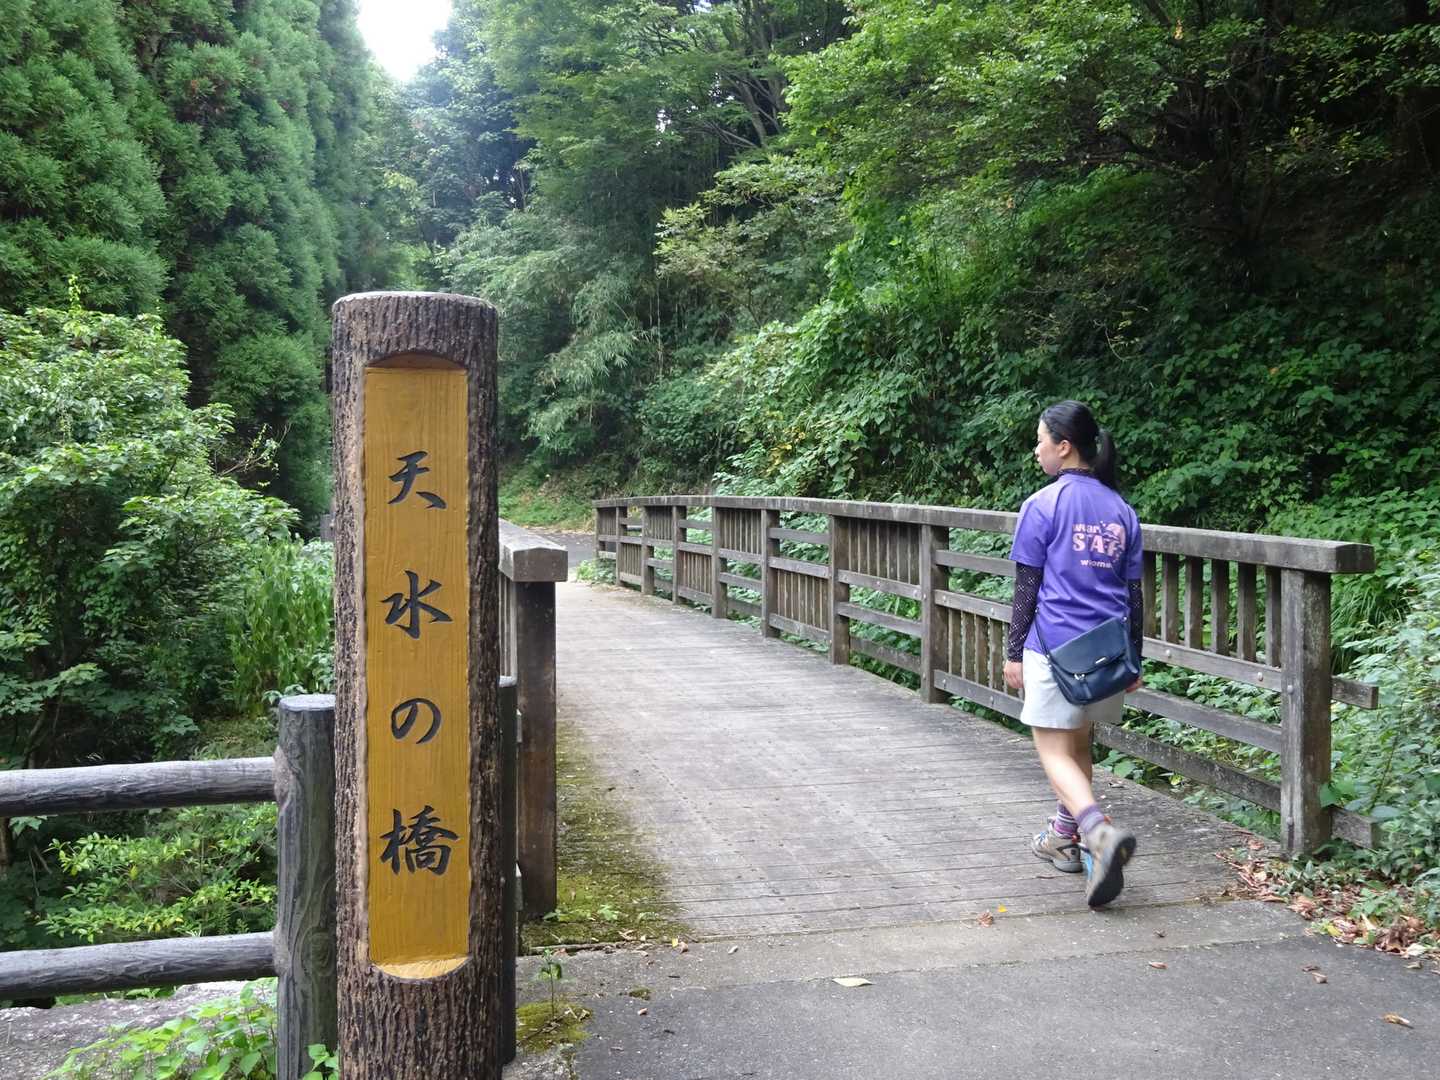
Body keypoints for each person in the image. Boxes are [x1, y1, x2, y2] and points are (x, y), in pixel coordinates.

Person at [1003, 400, 1143, 907]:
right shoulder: (1121, 509)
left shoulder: (1043, 504)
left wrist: (1013, 652)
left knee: (1053, 751)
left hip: (1054, 647)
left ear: (1063, 447)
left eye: (1040, 440)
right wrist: (1134, 658)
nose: (1036, 449)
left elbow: (1028, 587)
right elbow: (1133, 594)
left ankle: (1097, 830)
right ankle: (1067, 837)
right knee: (1079, 744)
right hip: (1106, 651)